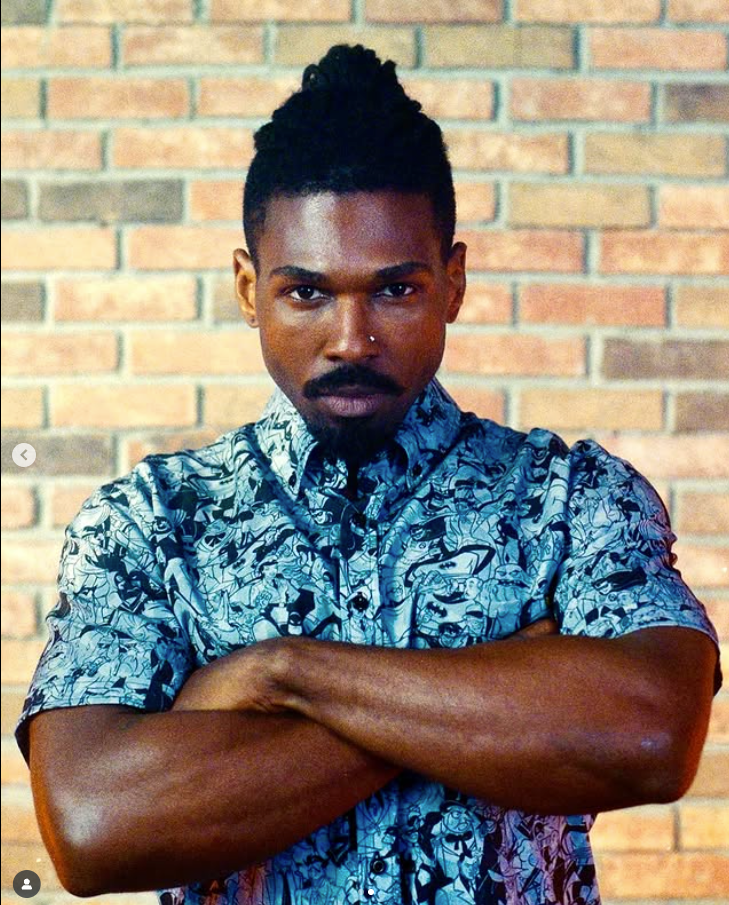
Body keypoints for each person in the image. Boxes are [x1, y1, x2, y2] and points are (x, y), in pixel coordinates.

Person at [17, 45, 721, 905]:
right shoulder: (151, 524)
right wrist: (495, 688)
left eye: (395, 291)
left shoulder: (569, 499)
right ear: (247, 287)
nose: (351, 339)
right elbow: (95, 827)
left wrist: (279, 673)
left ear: (452, 283)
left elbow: (649, 736)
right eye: (306, 293)